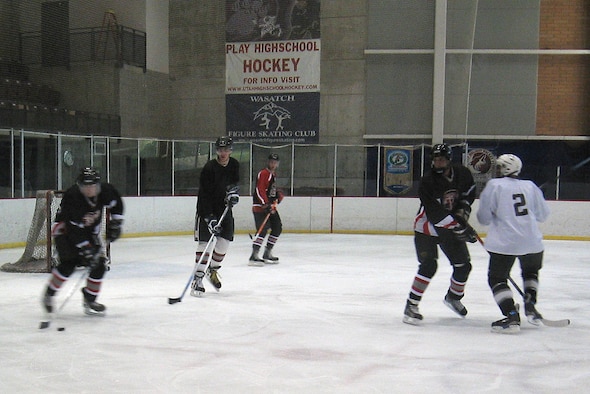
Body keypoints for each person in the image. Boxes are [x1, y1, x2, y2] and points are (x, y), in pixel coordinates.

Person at [403, 143, 477, 325]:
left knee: (463, 266)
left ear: (449, 160)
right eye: (436, 160)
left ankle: (453, 297)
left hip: (449, 226)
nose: (438, 163)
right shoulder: (427, 181)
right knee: (428, 266)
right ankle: (411, 305)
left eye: (442, 160)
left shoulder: (462, 174)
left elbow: (468, 195)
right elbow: (434, 214)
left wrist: (462, 215)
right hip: (426, 228)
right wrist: (459, 227)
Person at [476, 154, 550, 333]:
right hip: (532, 241)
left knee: (497, 278)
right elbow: (543, 215)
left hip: (504, 242)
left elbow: (483, 218)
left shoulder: (494, 186)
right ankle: (530, 306)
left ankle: (511, 316)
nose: (497, 170)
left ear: (504, 169)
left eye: (499, 167)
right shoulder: (530, 186)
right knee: (531, 273)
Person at [42, 167, 124, 316]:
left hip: (88, 231)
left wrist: (116, 223)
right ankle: (49, 295)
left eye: (93, 186)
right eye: (86, 186)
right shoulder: (73, 197)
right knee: (69, 264)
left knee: (99, 265)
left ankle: (89, 299)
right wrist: (86, 248)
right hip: (65, 231)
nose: (90, 189)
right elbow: (74, 230)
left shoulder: (105, 191)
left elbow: (117, 204)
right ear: (80, 186)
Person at [191, 136, 240, 296]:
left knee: (224, 243)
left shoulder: (234, 165)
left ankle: (212, 270)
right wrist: (209, 217)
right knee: (204, 244)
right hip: (207, 210)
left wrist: (233, 194)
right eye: (220, 150)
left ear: (230, 150)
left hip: (224, 210)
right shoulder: (209, 168)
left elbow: (234, 184)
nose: (223, 153)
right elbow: (203, 195)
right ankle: (197, 279)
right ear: (216, 150)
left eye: (226, 149)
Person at [249, 153, 284, 266]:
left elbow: (271, 190)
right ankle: (254, 255)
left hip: (270, 206)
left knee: (277, 227)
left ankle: (267, 252)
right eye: (271, 162)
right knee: (263, 230)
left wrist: (278, 196)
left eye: (275, 162)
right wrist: (265, 204)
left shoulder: (273, 175)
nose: (273, 164)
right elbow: (260, 190)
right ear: (268, 162)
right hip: (261, 207)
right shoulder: (263, 173)